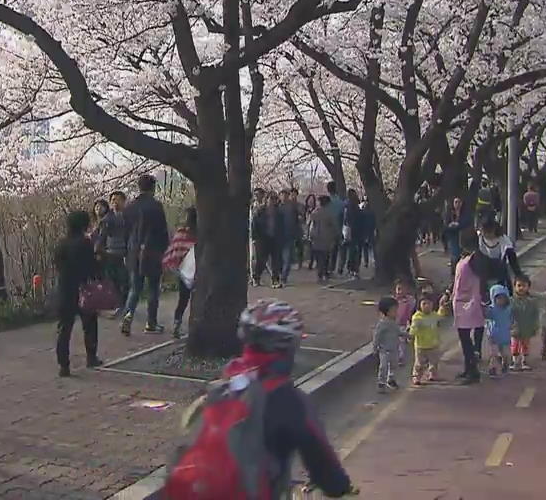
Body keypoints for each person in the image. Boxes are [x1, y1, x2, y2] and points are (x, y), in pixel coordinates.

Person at [159, 299, 356, 498]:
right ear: (289, 347)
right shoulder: (289, 401)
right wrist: (339, 487)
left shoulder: (222, 387)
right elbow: (324, 466)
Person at [53, 211, 102, 377]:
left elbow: (58, 265)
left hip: (65, 288)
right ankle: (91, 356)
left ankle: (63, 365)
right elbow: (92, 267)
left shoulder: (61, 244)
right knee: (89, 324)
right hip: (83, 289)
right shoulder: (85, 243)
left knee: (64, 328)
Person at [121, 175, 170, 336]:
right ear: (153, 188)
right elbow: (162, 231)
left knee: (135, 288)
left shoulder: (129, 207)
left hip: (133, 251)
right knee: (153, 289)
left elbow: (126, 231)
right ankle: (151, 323)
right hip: (152, 251)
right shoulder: (156, 206)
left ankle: (128, 314)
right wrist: (166, 250)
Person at [451, 251, 490, 385]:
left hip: (464, 303)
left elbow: (457, 284)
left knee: (466, 341)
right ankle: (469, 369)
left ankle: (472, 371)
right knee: (468, 339)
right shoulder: (476, 262)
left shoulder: (464, 264)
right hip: (474, 302)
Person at [162, 207, 199, 339]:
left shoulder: (181, 233)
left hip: (184, 272)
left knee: (183, 300)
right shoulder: (202, 234)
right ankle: (193, 325)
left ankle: (177, 324)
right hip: (199, 271)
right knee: (197, 299)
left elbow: (174, 252)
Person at [93, 192, 130, 318]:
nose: (115, 202)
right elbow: (101, 237)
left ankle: (124, 305)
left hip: (127, 252)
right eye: (113, 199)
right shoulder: (107, 219)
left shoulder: (129, 216)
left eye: (118, 200)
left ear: (124, 201)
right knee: (114, 280)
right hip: (111, 253)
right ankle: (118, 305)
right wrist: (98, 250)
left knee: (125, 280)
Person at [409, 293, 451, 385]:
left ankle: (433, 374)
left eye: (429, 303)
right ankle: (417, 377)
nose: (427, 306)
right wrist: (411, 335)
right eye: (424, 304)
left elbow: (441, 315)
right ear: (419, 305)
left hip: (433, 344)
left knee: (434, 362)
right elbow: (413, 328)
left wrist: (442, 307)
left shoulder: (434, 315)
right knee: (419, 364)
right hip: (421, 345)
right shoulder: (417, 317)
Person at [478, 220, 522, 294]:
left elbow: (512, 258)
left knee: (503, 289)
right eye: (484, 233)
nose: (487, 235)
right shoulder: (480, 239)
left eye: (489, 233)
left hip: (500, 267)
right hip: (485, 267)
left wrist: (518, 275)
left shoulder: (503, 239)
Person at [373, 297, 406, 393]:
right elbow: (377, 335)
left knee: (394, 365)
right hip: (384, 350)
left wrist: (406, 335)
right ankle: (381, 382)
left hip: (395, 349)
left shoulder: (394, 322)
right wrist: (375, 347)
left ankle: (391, 379)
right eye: (394, 310)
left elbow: (398, 331)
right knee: (383, 366)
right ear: (385, 312)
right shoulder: (382, 324)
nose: (396, 312)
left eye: (396, 310)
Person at [510, 276, 540, 371]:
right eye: (519, 285)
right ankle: (515, 362)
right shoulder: (511, 301)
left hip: (527, 328)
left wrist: (535, 326)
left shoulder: (532, 301)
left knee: (525, 345)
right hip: (515, 328)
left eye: (524, 286)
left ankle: (524, 361)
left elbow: (535, 315)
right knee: (514, 345)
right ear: (515, 287)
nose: (521, 288)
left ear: (528, 287)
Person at [250, 193, 280, 287]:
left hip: (274, 238)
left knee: (275, 260)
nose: (272, 201)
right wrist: (254, 237)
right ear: (266, 200)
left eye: (274, 199)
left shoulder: (278, 212)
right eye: (271, 199)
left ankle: (275, 280)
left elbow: (281, 225)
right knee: (262, 260)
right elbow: (254, 224)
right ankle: (256, 277)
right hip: (262, 239)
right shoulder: (260, 211)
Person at [483, 284, 513, 377]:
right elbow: (486, 315)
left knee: (506, 354)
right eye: (498, 298)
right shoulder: (491, 309)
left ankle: (505, 365)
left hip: (505, 336)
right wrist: (484, 308)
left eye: (503, 298)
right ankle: (493, 368)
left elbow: (513, 319)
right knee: (494, 353)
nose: (500, 300)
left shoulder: (509, 309)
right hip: (493, 335)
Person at [308, 195, 339, 283]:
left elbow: (310, 222)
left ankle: (320, 272)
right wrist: (336, 235)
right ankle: (323, 272)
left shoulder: (316, 212)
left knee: (318, 255)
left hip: (316, 236)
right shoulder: (330, 213)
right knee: (325, 256)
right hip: (326, 237)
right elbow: (335, 226)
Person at [325, 182, 347, 275]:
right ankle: (339, 267)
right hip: (338, 228)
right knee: (340, 250)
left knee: (329, 250)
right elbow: (344, 216)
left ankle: (329, 268)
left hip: (327, 229)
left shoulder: (326, 202)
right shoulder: (341, 202)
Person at [443, 196, 471, 272]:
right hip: (453, 237)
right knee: (454, 256)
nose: (458, 204)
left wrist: (457, 225)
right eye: (456, 202)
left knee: (463, 256)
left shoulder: (465, 213)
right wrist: (451, 226)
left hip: (463, 238)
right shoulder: (449, 214)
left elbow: (466, 223)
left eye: (459, 202)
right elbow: (446, 226)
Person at [393, 280, 416, 364]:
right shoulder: (393, 301)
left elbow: (412, 310)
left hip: (403, 324)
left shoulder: (409, 300)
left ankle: (401, 357)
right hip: (393, 324)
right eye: (398, 289)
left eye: (403, 289)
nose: (400, 291)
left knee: (401, 341)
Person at [301, 194, 318, 270]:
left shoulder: (316, 210)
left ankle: (311, 263)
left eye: (312, 201)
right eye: (309, 200)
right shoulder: (304, 210)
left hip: (312, 230)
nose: (310, 202)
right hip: (305, 229)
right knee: (306, 248)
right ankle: (305, 261)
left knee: (312, 247)